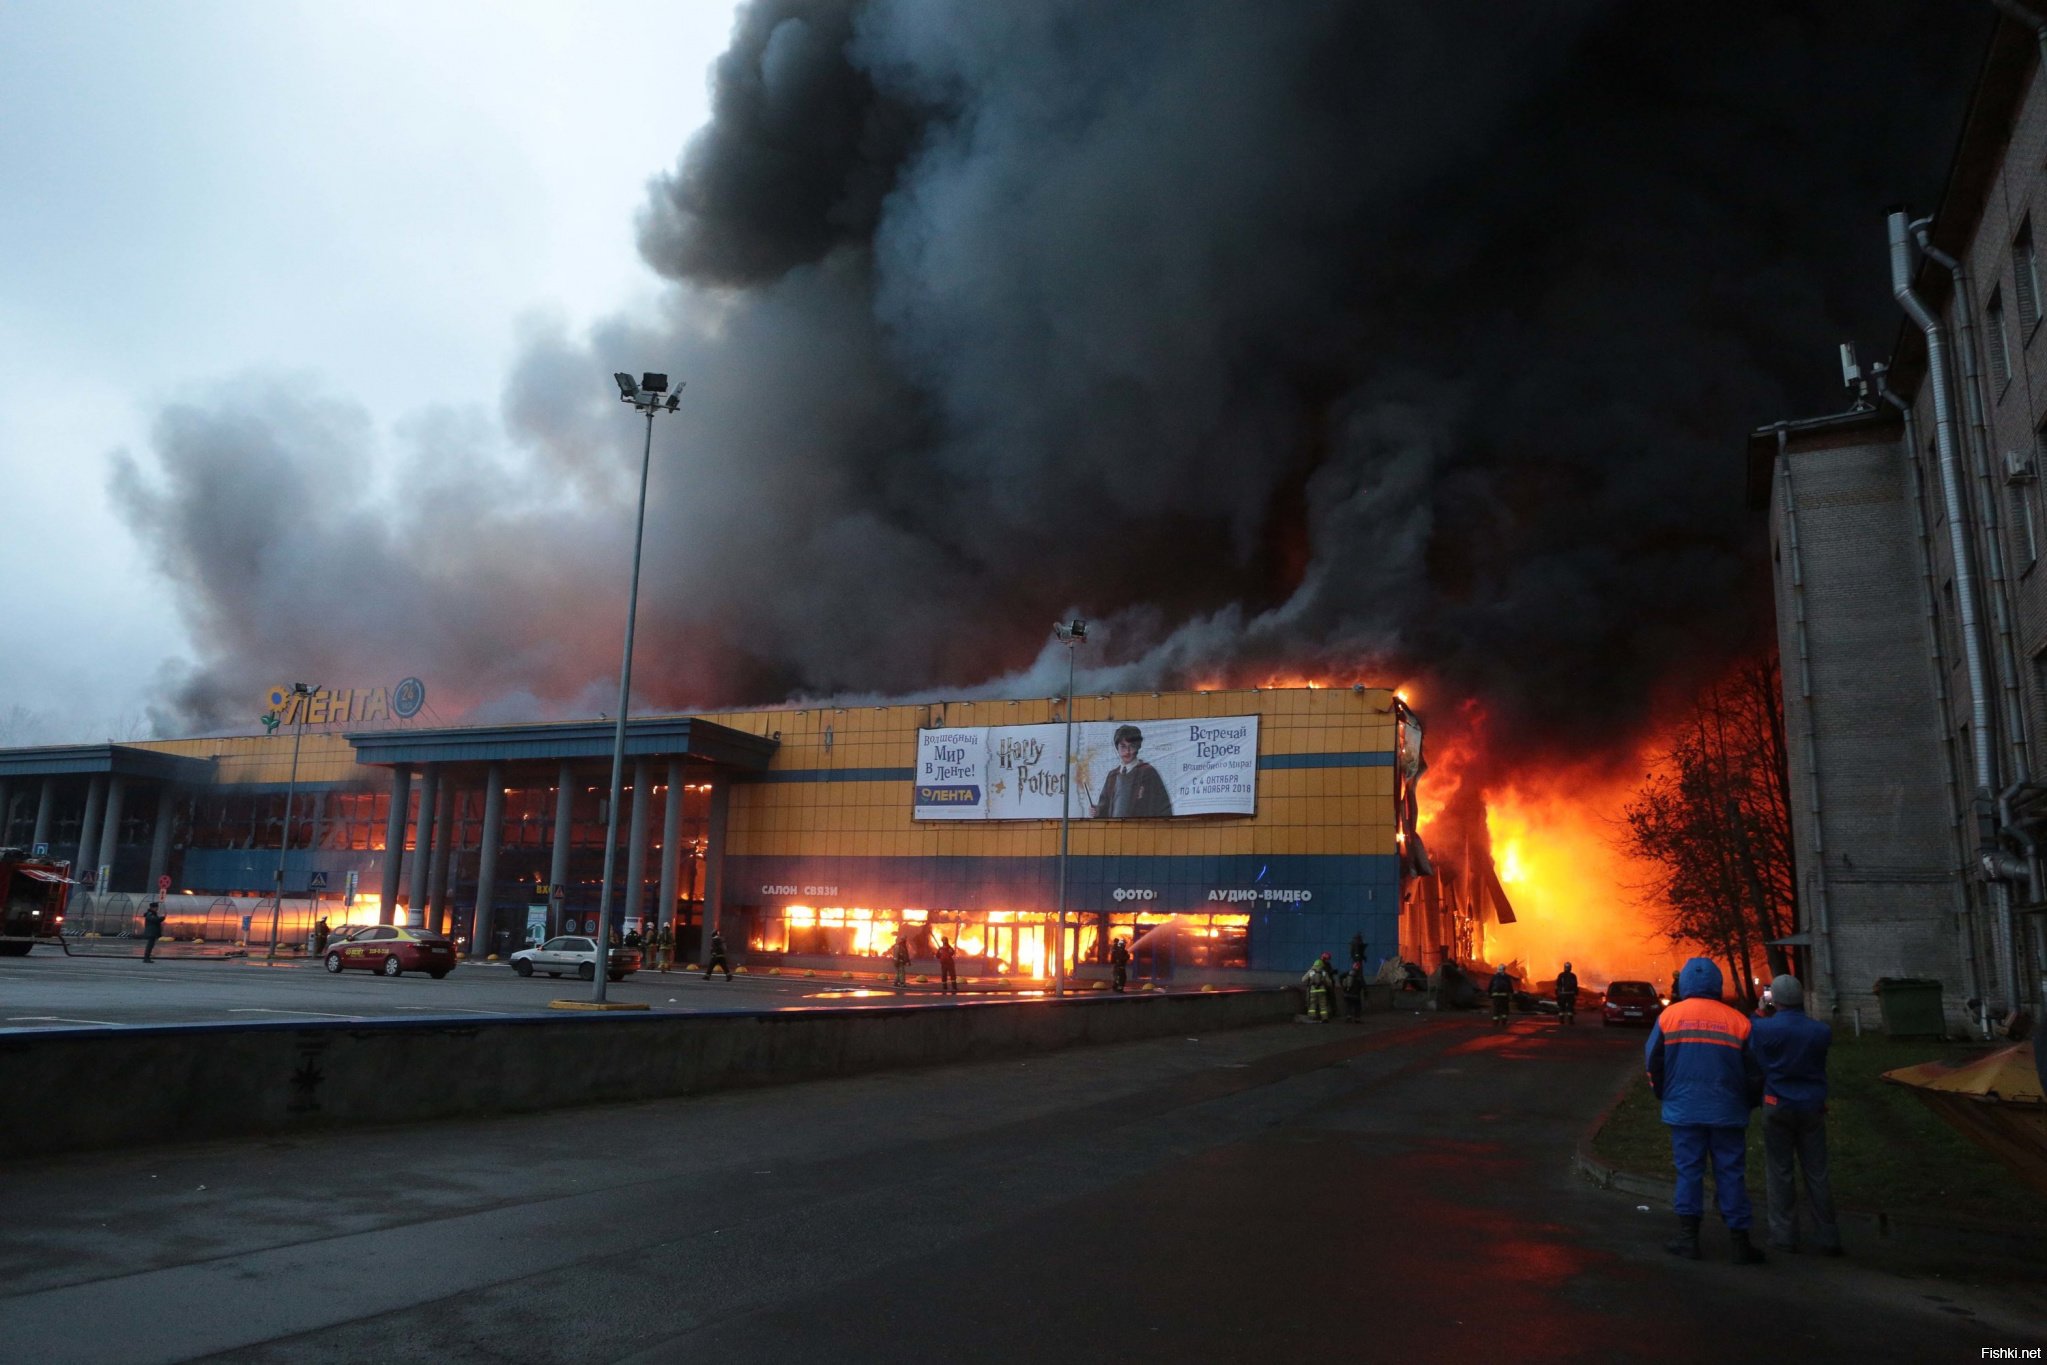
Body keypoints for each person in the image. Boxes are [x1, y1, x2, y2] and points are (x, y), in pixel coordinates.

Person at [1646, 956, 1767, 1264]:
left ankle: (1689, 1238)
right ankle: (1739, 1243)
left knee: (1689, 1171)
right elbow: (1755, 1072)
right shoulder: (1738, 1021)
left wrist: (1665, 1095)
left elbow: (1653, 1064)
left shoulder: (1669, 1018)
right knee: (1731, 1172)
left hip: (1684, 1110)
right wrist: (1747, 1103)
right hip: (1727, 1110)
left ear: (1684, 983)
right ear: (1716, 983)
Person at [1748, 973, 1843, 1256]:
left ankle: (1784, 1235)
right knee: (1817, 1172)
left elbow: (1754, 1051)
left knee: (1780, 1172)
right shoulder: (1821, 1031)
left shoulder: (1763, 1029)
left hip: (1777, 1104)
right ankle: (1827, 1235)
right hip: (1812, 1107)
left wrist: (1760, 1012)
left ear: (1774, 999)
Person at [1091, 725, 1173, 818]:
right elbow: (1104, 808)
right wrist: (1098, 811)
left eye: (1132, 746)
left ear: (1138, 747)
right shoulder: (1112, 776)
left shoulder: (1148, 773)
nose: (1127, 751)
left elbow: (1163, 808)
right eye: (1123, 747)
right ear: (1117, 748)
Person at [1302, 952, 1336, 1022]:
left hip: (1313, 990)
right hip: (1322, 990)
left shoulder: (1311, 971)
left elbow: (1303, 980)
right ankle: (1325, 1018)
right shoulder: (1323, 972)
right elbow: (1329, 982)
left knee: (1312, 1005)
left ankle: (1312, 1018)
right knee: (1323, 1005)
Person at [1555, 961, 1579, 1026]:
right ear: (1570, 968)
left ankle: (1561, 1020)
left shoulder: (1561, 975)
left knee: (1561, 1008)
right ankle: (1570, 1021)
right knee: (1570, 1008)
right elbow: (1575, 985)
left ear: (1564, 967)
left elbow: (1557, 984)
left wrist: (1557, 993)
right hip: (1570, 994)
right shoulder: (1573, 976)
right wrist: (1576, 993)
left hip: (1562, 994)